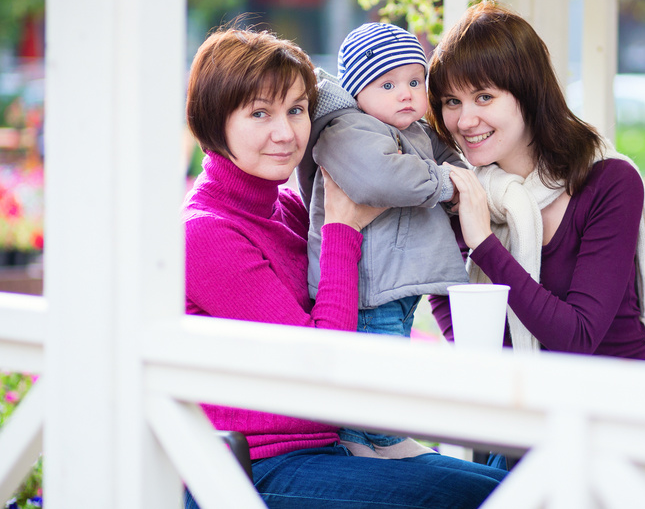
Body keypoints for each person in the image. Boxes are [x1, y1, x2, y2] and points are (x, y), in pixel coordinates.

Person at [183, 26, 505, 509]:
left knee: (518, 482)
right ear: (213, 122)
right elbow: (321, 362)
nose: (285, 133)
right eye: (259, 113)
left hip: (341, 445)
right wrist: (342, 231)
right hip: (257, 470)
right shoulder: (205, 232)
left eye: (296, 110)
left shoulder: (287, 210)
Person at [425, 0, 645, 360]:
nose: (464, 121)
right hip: (522, 400)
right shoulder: (469, 194)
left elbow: (578, 337)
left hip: (619, 398)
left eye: (484, 97)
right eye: (451, 101)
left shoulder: (610, 181)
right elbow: (451, 306)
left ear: (529, 93)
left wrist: (485, 245)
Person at [296, 22, 469, 458]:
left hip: (392, 284)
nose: (406, 93)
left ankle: (373, 438)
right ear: (357, 91)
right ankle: (369, 442)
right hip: (365, 289)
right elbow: (381, 179)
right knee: (375, 366)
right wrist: (449, 184)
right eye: (388, 83)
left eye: (414, 81)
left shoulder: (413, 131)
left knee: (385, 366)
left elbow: (452, 159)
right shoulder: (346, 131)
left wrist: (472, 176)